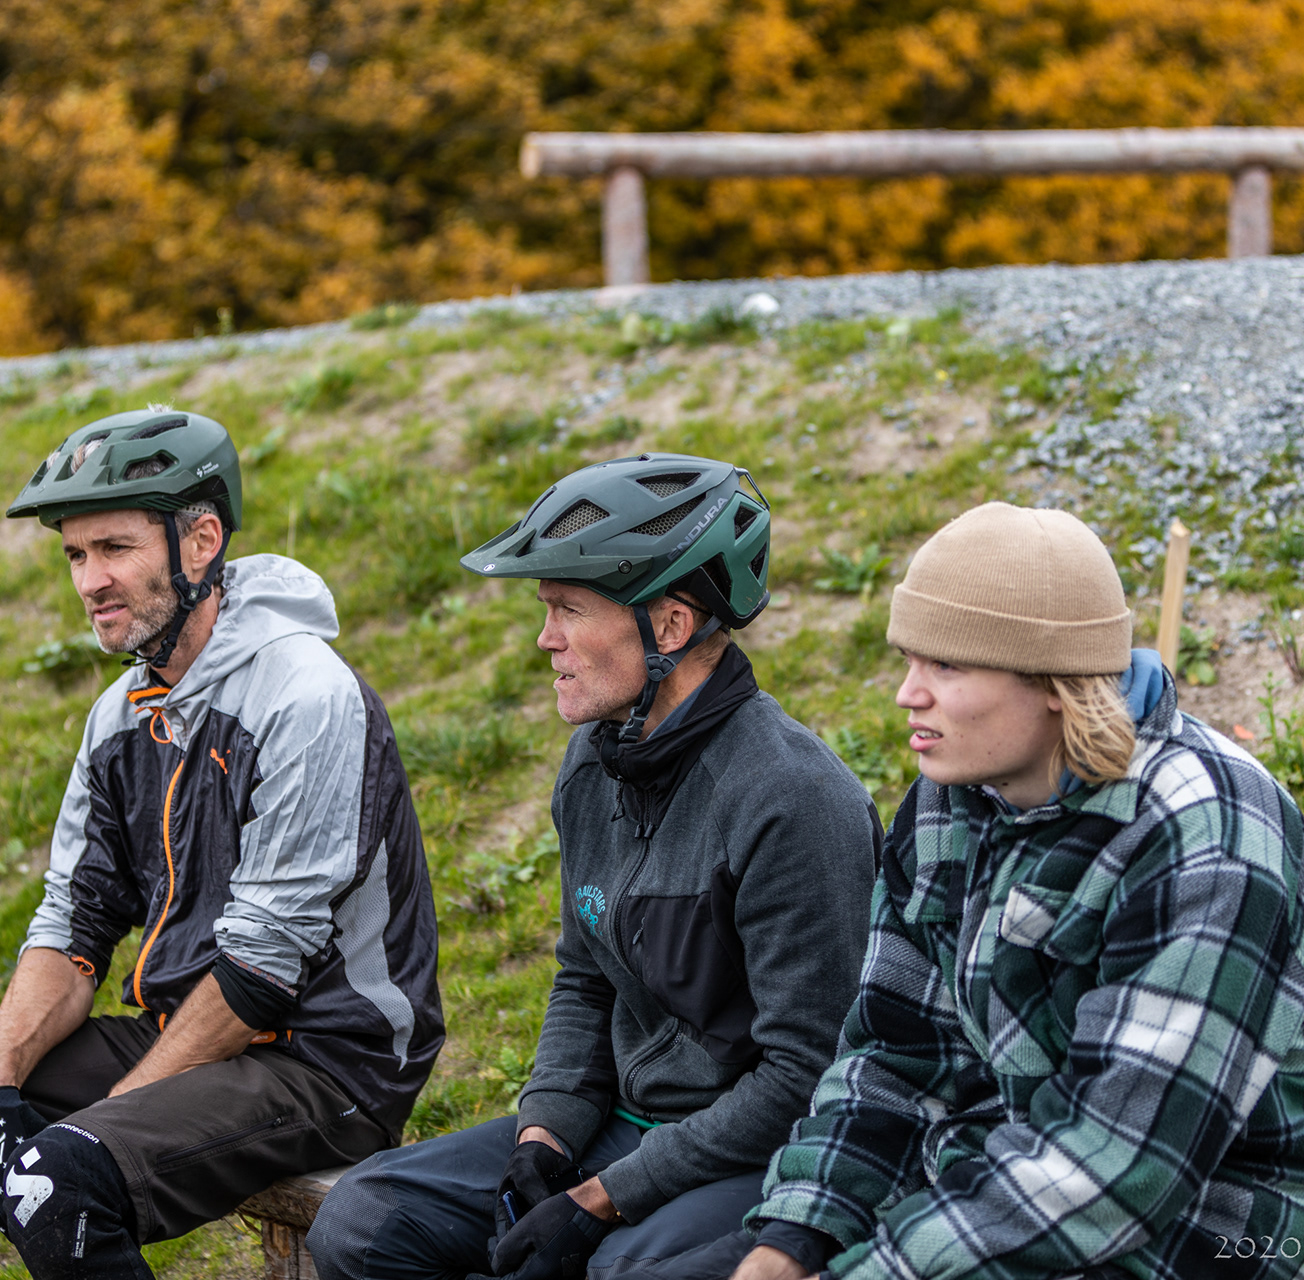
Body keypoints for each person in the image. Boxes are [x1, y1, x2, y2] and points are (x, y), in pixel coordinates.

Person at [0, 408, 444, 1280]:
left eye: (114, 548)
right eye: (75, 555)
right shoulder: (119, 715)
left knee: (58, 1181)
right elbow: (72, 923)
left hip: (327, 1064)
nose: (89, 581)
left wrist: (91, 1126)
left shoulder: (305, 695)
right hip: (180, 1033)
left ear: (201, 541)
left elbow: (262, 969)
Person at [651, 501, 1304, 1280]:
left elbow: (1115, 1170)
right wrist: (798, 1235)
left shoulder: (1210, 845)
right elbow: (897, 1054)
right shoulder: (951, 795)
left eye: (947, 666)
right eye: (908, 660)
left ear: (1056, 681)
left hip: (1212, 1215)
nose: (906, 694)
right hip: (1002, 1151)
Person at [308, 453, 881, 1280]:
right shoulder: (595, 762)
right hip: (624, 1121)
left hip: (760, 1149)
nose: (546, 639)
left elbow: (807, 1075)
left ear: (670, 627)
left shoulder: (793, 800)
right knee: (363, 1222)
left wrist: (602, 1198)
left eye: (569, 610)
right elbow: (586, 977)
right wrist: (544, 1136)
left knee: (614, 1268)